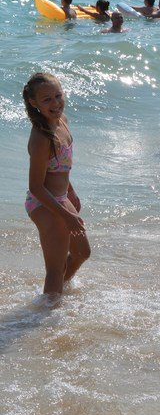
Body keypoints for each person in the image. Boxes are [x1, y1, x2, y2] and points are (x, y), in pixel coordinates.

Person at [22, 73, 90, 298]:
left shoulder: (63, 122)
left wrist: (70, 191)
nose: (55, 103)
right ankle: (49, 312)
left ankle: (55, 297)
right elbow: (36, 187)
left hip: (61, 198)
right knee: (55, 268)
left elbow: (61, 168)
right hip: (43, 202)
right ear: (34, 103)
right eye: (47, 99)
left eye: (58, 96)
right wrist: (66, 216)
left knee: (82, 252)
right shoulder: (42, 138)